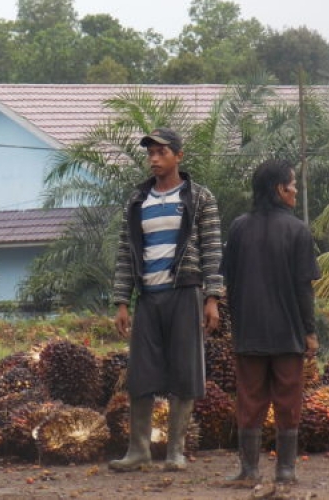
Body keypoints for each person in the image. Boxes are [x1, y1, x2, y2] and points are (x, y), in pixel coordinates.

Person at [109, 127, 223, 472]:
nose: (154, 159)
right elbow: (125, 254)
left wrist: (212, 297)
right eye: (150, 154)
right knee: (141, 375)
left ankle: (175, 450)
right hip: (148, 297)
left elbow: (213, 251)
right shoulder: (137, 201)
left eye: (161, 153)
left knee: (184, 373)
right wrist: (121, 301)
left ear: (178, 156)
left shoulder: (200, 198)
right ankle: (139, 449)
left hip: (184, 294)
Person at [223, 159, 319, 484]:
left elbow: (230, 284)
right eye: (293, 184)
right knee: (288, 400)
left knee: (249, 399)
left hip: (248, 331)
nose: (295, 190)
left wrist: (237, 324)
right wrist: (310, 331)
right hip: (288, 333)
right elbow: (303, 288)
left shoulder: (237, 228)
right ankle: (286, 471)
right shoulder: (297, 230)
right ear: (280, 189)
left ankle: (249, 471)